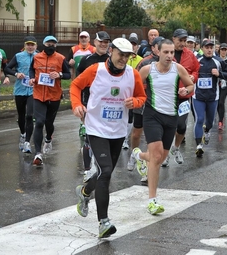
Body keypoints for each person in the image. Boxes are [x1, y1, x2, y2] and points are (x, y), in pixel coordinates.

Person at [70, 38, 146, 238]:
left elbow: (142, 97)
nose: (123, 59)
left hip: (118, 131)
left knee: (106, 172)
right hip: (96, 128)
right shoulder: (95, 70)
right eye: (120, 54)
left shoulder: (133, 74)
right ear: (111, 51)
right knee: (105, 170)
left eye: (127, 55)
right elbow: (76, 86)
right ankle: (103, 222)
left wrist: (135, 102)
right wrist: (77, 105)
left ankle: (85, 192)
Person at [131, 39, 194, 215]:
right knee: (157, 156)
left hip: (171, 117)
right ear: (157, 52)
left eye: (172, 52)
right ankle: (152, 199)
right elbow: (133, 85)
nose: (169, 56)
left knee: (161, 157)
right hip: (152, 116)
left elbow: (190, 84)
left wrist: (186, 90)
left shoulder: (178, 69)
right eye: (166, 52)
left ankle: (140, 155)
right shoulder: (147, 70)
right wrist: (136, 98)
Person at [29, 35, 71, 166]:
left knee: (49, 123)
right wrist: (31, 78)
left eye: (53, 44)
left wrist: (59, 75)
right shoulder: (36, 57)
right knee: (39, 122)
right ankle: (38, 153)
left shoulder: (60, 58)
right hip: (38, 94)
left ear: (55, 46)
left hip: (54, 96)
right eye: (48, 44)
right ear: (43, 45)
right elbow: (32, 70)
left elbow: (68, 74)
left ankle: (48, 139)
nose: (51, 46)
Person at [76, 31, 111, 181]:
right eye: (101, 42)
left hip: (108, 104)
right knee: (88, 136)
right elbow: (77, 82)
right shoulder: (86, 60)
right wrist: (78, 102)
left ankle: (101, 166)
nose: (103, 44)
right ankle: (87, 169)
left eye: (106, 42)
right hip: (89, 103)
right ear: (95, 42)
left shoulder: (112, 60)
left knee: (104, 137)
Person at [127, 36, 164, 177]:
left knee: (153, 136)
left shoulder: (170, 63)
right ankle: (134, 153)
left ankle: (148, 169)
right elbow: (134, 81)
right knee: (137, 133)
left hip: (159, 105)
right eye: (158, 46)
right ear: (153, 48)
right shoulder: (144, 62)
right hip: (143, 102)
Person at [162, 29, 199, 166]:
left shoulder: (190, 55)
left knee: (181, 126)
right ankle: (165, 154)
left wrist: (193, 77)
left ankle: (175, 148)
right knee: (167, 126)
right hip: (169, 96)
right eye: (180, 40)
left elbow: (196, 70)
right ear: (174, 39)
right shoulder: (167, 54)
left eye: (185, 41)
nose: (183, 43)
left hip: (184, 95)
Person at [193, 39, 227, 157]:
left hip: (213, 97)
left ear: (214, 49)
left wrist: (219, 74)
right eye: (207, 48)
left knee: (209, 122)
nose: (209, 50)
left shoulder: (218, 61)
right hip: (198, 96)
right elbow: (188, 72)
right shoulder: (196, 61)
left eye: (211, 48)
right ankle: (198, 145)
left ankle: (207, 131)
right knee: (199, 119)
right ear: (202, 48)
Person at [3, 36, 38, 153]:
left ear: (36, 46)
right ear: (24, 45)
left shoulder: (39, 57)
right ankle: (23, 134)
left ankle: (27, 142)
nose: (30, 47)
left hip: (33, 90)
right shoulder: (18, 56)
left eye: (32, 45)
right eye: (28, 44)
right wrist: (16, 73)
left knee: (29, 115)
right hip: (20, 90)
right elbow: (7, 69)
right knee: (21, 116)